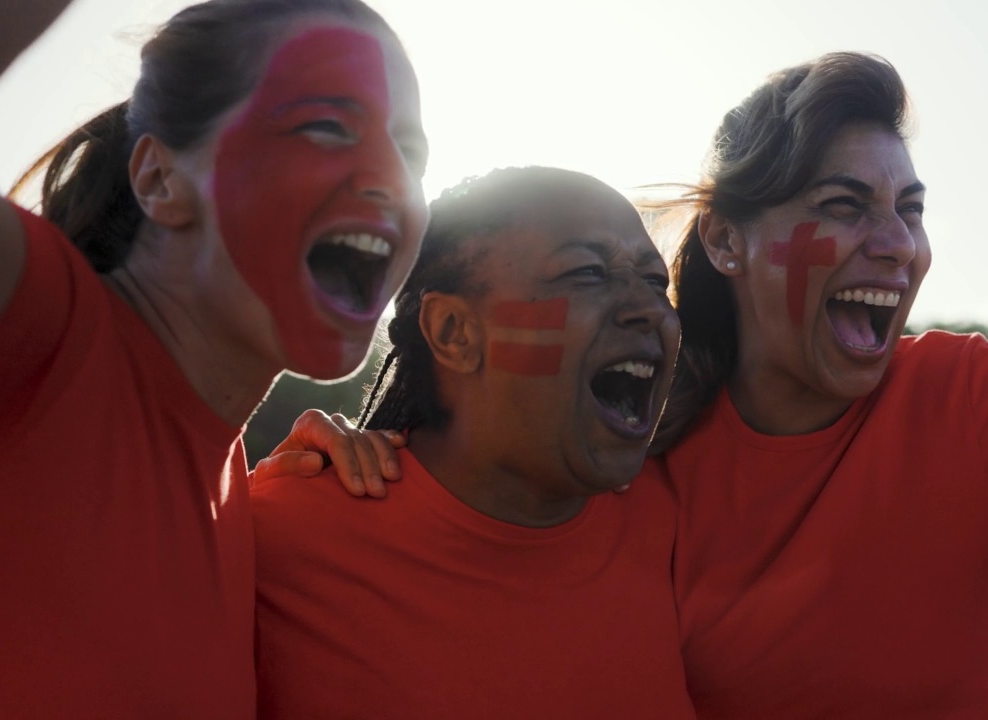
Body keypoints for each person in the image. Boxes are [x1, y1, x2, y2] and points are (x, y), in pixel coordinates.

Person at [278, 2, 988, 717]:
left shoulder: (975, 403)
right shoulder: (620, 453)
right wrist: (334, 466)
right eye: (842, 206)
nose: (895, 244)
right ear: (725, 242)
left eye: (908, 209)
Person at [0, 0, 427, 716]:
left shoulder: (239, 498)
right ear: (161, 180)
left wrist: (267, 504)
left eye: (411, 153)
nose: (389, 180)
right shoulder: (40, 328)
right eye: (324, 126)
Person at [250, 167, 692, 719]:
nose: (649, 309)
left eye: (656, 283)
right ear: (454, 333)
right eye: (586, 272)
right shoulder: (274, 543)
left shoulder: (680, 529)